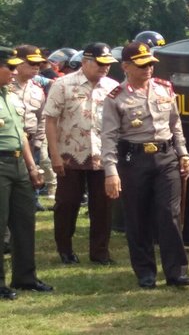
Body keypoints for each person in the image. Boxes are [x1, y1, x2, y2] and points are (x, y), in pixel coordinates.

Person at [101, 41, 189, 288]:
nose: (148, 69)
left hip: (166, 158)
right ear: (126, 67)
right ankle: (145, 272)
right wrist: (111, 172)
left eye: (151, 64)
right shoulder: (115, 98)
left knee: (169, 214)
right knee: (137, 215)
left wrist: (183, 154)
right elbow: (108, 137)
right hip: (134, 160)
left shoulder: (165, 89)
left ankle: (176, 272)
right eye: (142, 65)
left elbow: (176, 125)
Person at [43, 42, 119, 265]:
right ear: (85, 62)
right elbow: (50, 120)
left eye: (108, 64)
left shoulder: (112, 87)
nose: (105, 68)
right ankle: (65, 249)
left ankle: (100, 252)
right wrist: (54, 155)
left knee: (103, 206)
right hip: (69, 154)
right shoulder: (63, 84)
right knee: (67, 204)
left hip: (102, 155)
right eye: (100, 63)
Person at [0, 46, 53, 299]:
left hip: (19, 163)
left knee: (24, 221)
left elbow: (21, 135)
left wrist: (33, 167)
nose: (13, 72)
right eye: (8, 67)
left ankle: (25, 277)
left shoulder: (8, 96)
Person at [11, 45, 48, 211]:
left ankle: (32, 200)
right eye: (32, 63)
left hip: (32, 140)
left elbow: (42, 117)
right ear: (18, 63)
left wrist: (39, 140)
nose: (36, 68)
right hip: (11, 140)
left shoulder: (37, 89)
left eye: (38, 64)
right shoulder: (6, 87)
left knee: (34, 172)